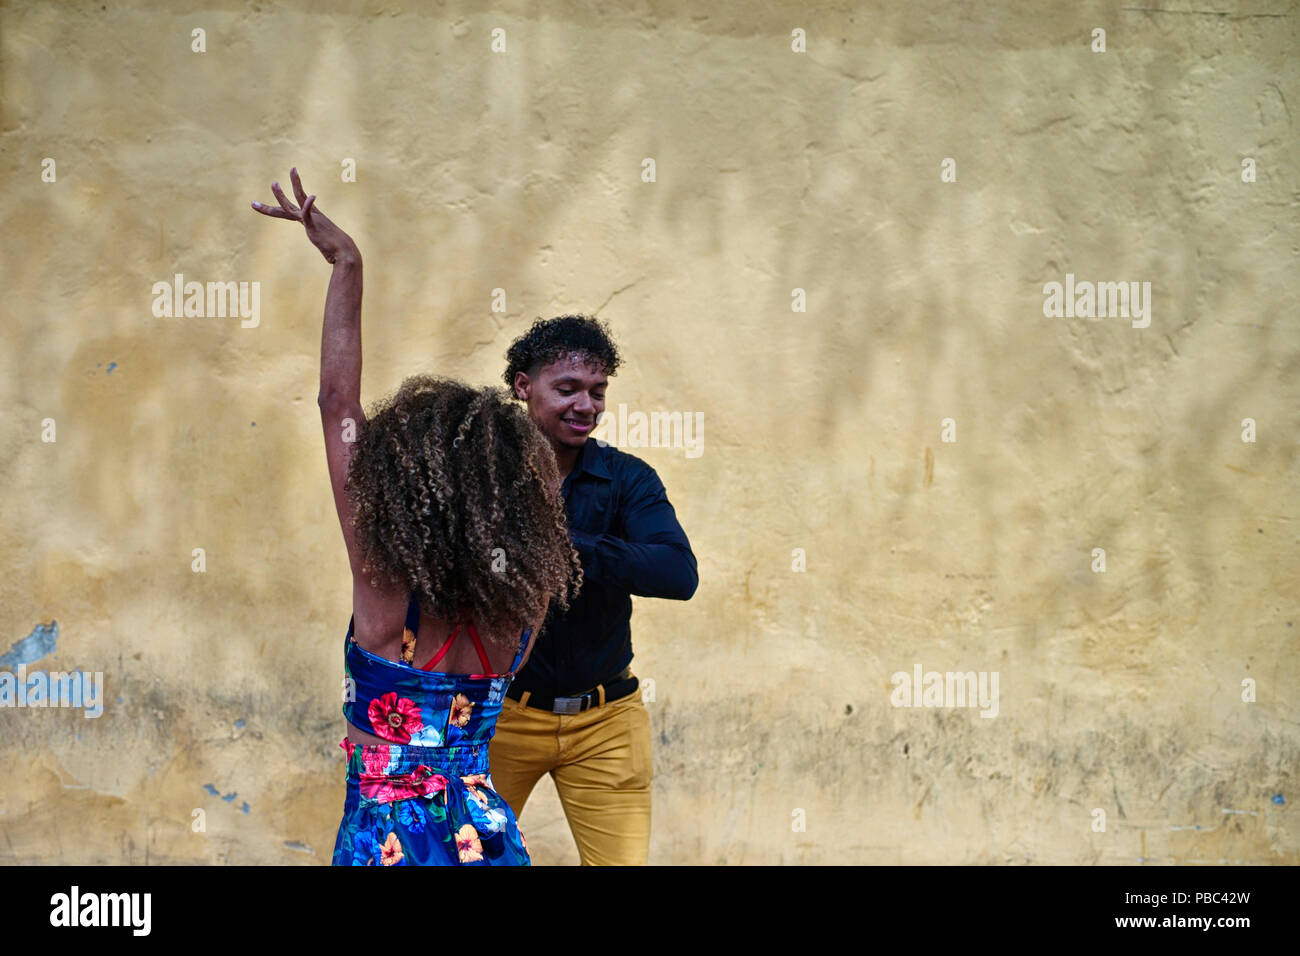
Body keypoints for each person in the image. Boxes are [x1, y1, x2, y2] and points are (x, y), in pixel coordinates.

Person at [251, 170, 582, 865]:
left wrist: (348, 266)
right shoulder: (523, 602)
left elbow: (337, 405)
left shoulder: (381, 591)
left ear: (405, 484)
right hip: (485, 838)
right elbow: (532, 494)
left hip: (387, 842)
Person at [488, 315, 699, 865]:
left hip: (607, 721)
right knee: (460, 859)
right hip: (498, 716)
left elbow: (678, 574)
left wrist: (564, 544)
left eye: (597, 392)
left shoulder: (629, 480)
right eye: (568, 389)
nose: (587, 405)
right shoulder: (482, 478)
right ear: (522, 386)